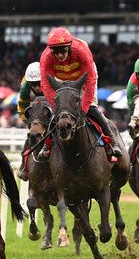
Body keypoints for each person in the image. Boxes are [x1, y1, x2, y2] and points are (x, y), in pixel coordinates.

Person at [39, 27, 122, 161]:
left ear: (69, 46)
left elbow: (90, 80)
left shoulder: (82, 50)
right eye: (55, 51)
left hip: (83, 79)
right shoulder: (46, 57)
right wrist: (56, 105)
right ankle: (46, 145)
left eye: (63, 51)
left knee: (92, 109)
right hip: (62, 81)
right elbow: (45, 83)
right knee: (58, 113)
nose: (59, 55)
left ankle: (112, 143)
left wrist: (84, 107)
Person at [16, 61, 44, 181]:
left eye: (39, 83)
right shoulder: (25, 87)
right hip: (36, 109)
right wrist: (29, 123)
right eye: (34, 84)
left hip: (53, 104)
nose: (37, 88)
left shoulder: (51, 78)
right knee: (30, 136)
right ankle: (24, 167)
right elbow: (22, 107)